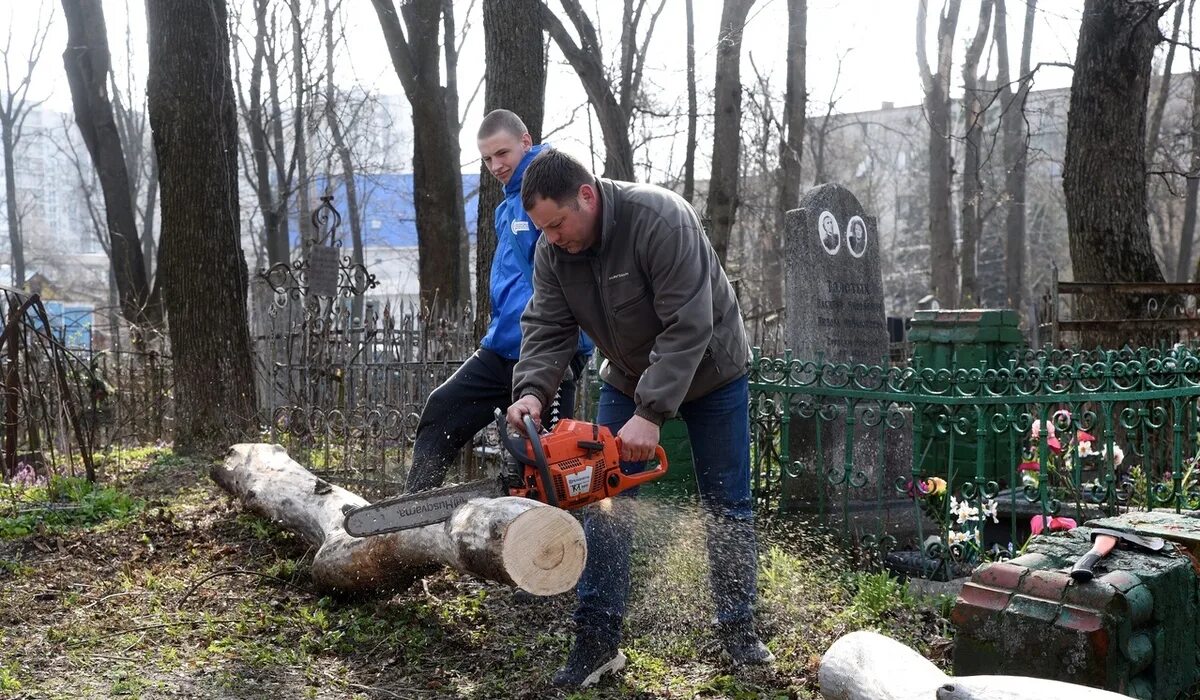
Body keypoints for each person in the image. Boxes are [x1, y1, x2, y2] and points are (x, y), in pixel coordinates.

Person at [505, 148, 772, 689]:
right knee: (602, 502)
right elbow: (548, 328)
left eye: (557, 224)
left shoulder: (659, 217)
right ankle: (597, 642)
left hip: (713, 371)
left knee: (727, 503)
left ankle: (740, 632)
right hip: (627, 376)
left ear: (587, 195)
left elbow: (689, 322)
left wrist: (652, 413)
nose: (552, 237)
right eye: (543, 229)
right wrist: (532, 391)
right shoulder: (553, 252)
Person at [405, 110, 592, 493]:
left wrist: (571, 347)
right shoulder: (506, 208)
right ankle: (411, 513)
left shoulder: (555, 198)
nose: (496, 165)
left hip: (548, 351)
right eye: (487, 159)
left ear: (526, 142)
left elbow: (571, 274)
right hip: (502, 347)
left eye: (502, 153)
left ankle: (561, 545)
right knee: (442, 410)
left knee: (552, 463)